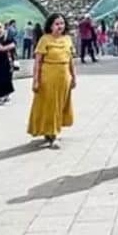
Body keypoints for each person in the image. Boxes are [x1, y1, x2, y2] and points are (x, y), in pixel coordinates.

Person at [29, 13, 76, 146]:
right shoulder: (45, 39)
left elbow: (70, 59)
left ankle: (51, 130)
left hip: (64, 76)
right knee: (50, 105)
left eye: (62, 23)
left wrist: (73, 76)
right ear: (50, 25)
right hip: (48, 77)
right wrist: (36, 80)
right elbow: (38, 61)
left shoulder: (67, 39)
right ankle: (53, 134)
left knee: (60, 105)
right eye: (56, 24)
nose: (60, 26)